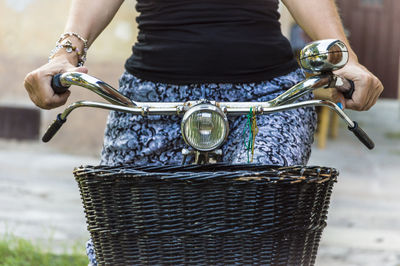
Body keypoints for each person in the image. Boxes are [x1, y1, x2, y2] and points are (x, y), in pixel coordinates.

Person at [24, 0, 383, 264]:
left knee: (261, 237)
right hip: (153, 92)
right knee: (122, 243)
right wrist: (66, 53)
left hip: (265, 97)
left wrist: (345, 58)